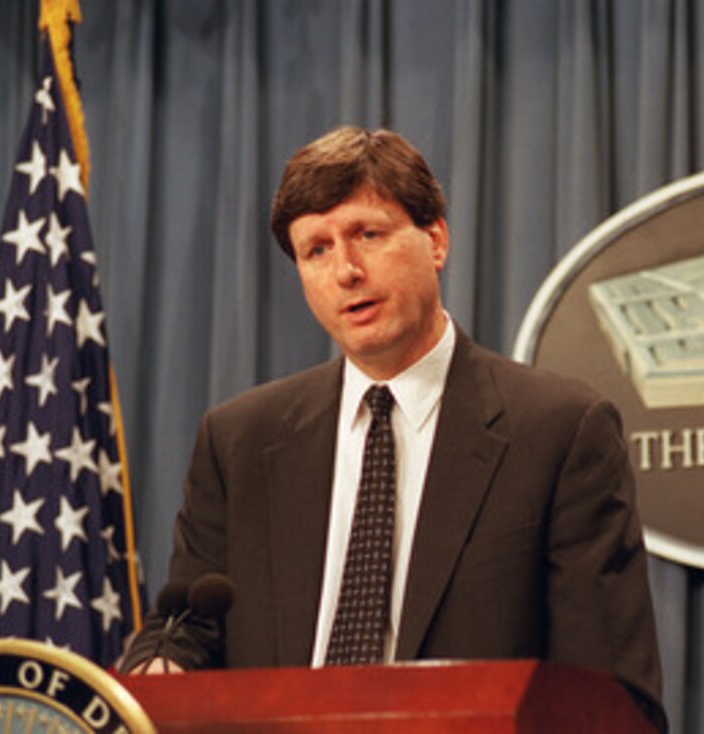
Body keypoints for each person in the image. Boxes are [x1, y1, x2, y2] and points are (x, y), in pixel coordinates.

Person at [121, 126, 665, 730]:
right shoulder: (241, 441)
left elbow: (613, 696)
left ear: (435, 239)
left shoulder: (559, 432)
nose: (345, 271)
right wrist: (162, 663)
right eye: (316, 250)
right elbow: (189, 626)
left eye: (367, 235)